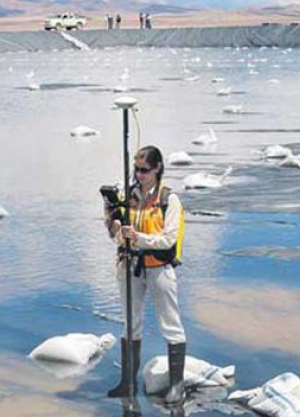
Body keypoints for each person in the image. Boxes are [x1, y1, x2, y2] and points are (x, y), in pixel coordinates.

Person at [105, 146, 188, 405]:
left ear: (158, 168)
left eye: (144, 171)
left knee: (170, 323)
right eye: (136, 170)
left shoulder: (168, 200)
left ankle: (177, 386)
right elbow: (115, 236)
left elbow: (168, 239)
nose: (139, 175)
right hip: (129, 266)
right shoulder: (127, 198)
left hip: (158, 267)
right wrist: (112, 219)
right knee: (130, 322)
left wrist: (138, 238)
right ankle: (127, 382)